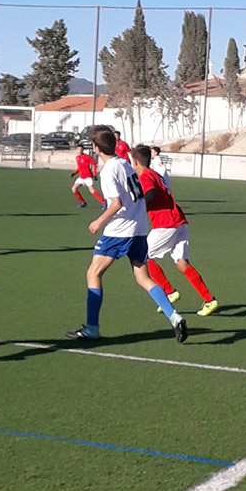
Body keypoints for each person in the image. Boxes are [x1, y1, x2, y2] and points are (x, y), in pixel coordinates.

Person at [65, 126, 187, 343]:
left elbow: (116, 204)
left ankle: (92, 328)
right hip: (139, 230)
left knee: (93, 273)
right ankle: (174, 316)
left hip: (119, 231)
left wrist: (98, 222)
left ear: (95, 148)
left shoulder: (109, 170)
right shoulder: (126, 164)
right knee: (143, 277)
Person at [132, 145, 218, 317]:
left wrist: (139, 207)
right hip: (178, 219)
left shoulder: (145, 176)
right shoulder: (154, 173)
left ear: (135, 162)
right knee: (181, 263)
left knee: (142, 256)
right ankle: (209, 300)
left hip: (166, 222)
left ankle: (169, 292)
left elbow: (150, 194)